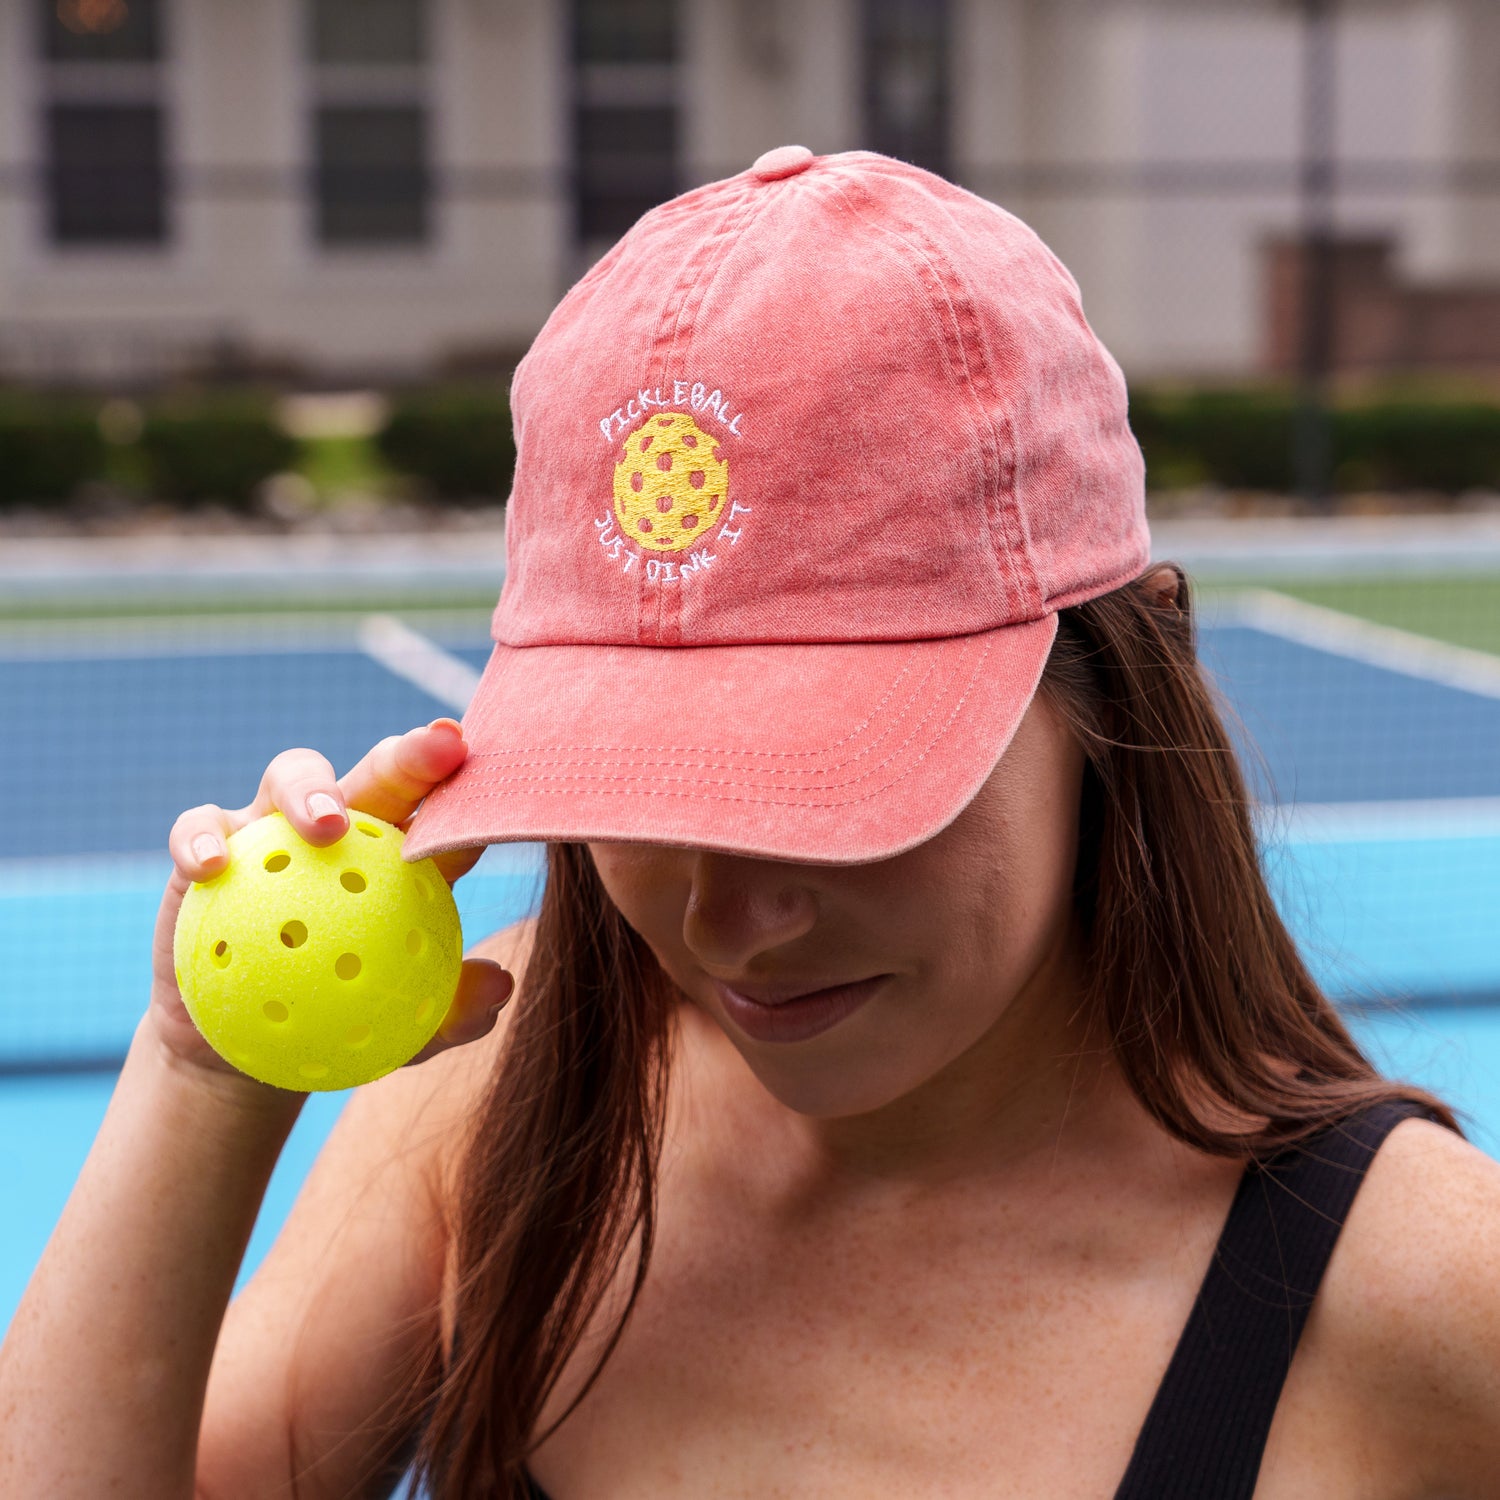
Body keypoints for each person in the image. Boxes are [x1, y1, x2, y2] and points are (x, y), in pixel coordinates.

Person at [3, 145, 1499, 1500]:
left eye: (835, 791)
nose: (731, 918)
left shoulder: (1424, 1298)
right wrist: (204, 1075)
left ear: (1114, 684)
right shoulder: (494, 1104)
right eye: (643, 789)